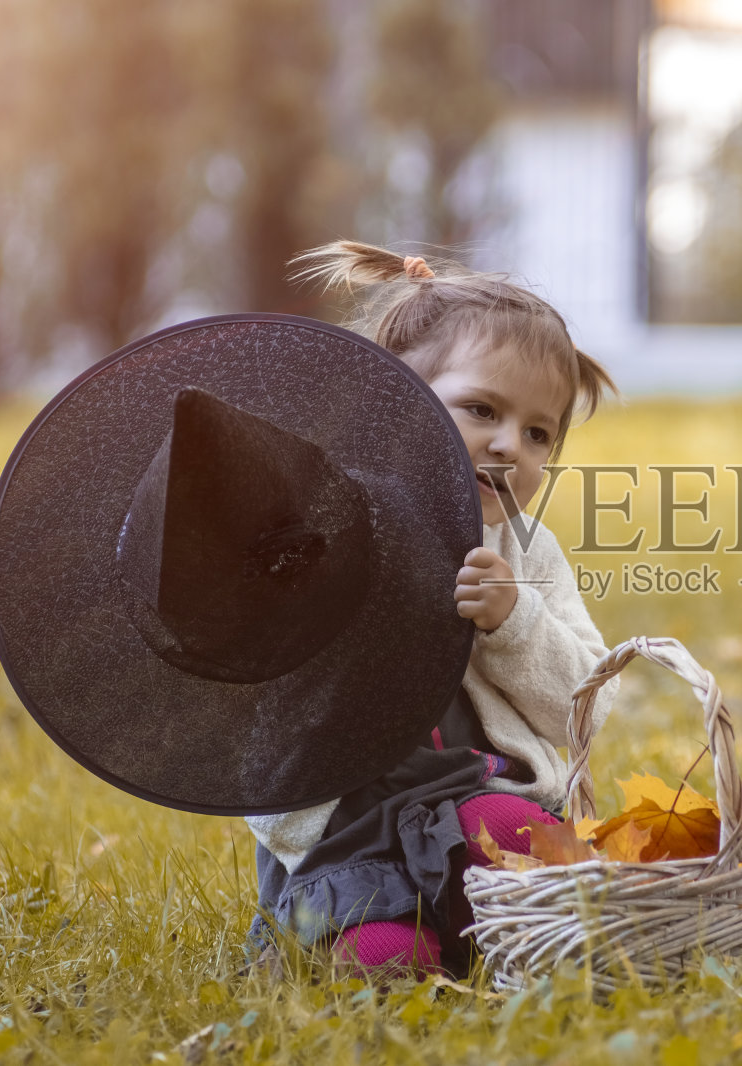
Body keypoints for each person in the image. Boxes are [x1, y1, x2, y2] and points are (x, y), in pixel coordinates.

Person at [244, 242, 621, 979]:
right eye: (483, 409)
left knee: (517, 828)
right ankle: (394, 937)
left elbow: (587, 702)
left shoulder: (526, 552)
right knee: (381, 961)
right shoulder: (324, 531)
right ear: (397, 404)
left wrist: (516, 624)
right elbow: (255, 707)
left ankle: (480, 925)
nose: (510, 445)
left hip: (473, 797)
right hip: (347, 829)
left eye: (539, 432)